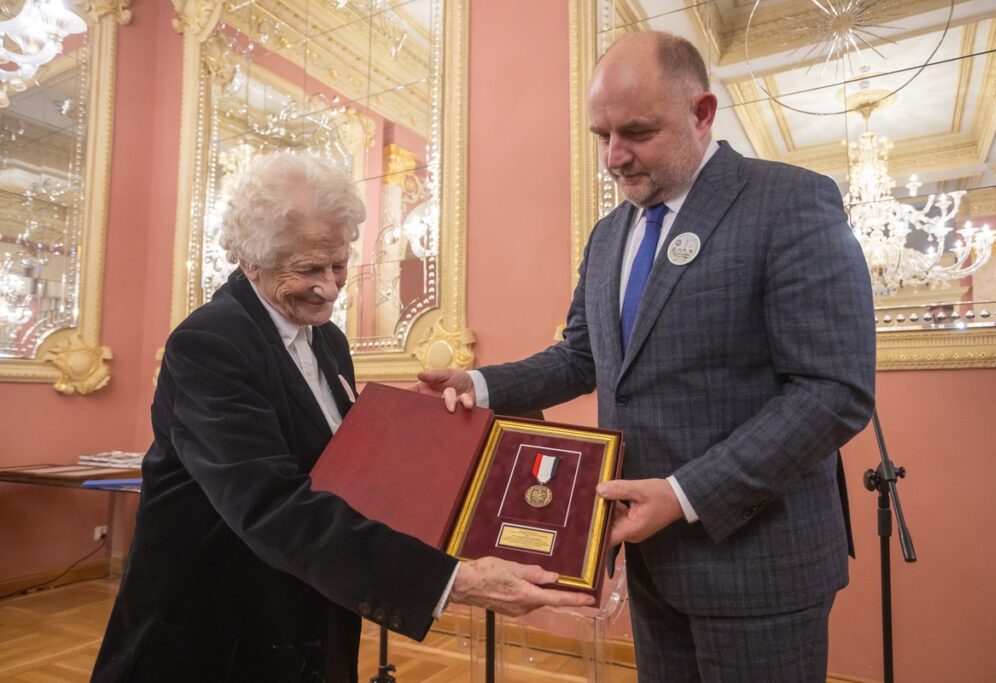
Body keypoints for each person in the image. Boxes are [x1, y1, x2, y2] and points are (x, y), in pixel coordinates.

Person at [417, 31, 876, 682]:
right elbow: (581, 356)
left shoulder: (790, 202)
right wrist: (479, 384)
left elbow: (833, 391)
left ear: (702, 113)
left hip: (759, 566)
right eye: (601, 135)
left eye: (636, 131)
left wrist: (686, 493)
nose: (614, 156)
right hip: (651, 559)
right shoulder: (610, 235)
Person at [91, 153, 592, 683]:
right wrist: (452, 582)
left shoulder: (326, 338)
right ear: (250, 262)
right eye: (309, 269)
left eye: (338, 264)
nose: (331, 288)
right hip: (219, 633)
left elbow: (344, 467)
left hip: (312, 618)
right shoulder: (209, 344)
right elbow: (272, 507)